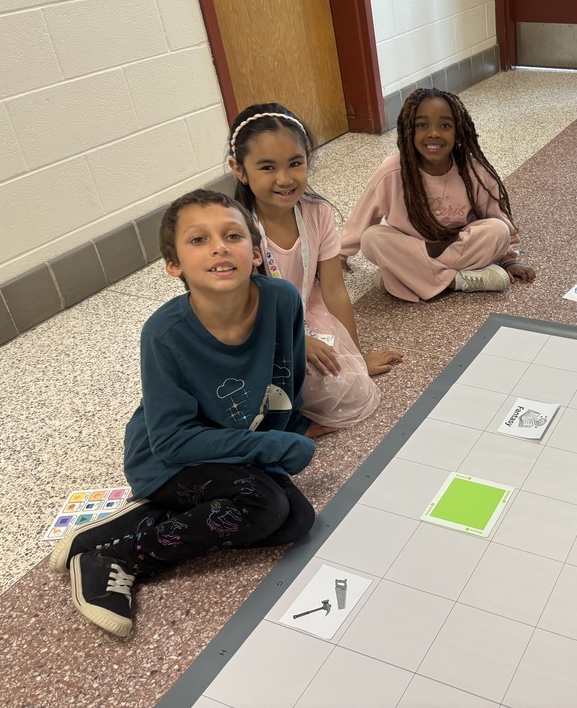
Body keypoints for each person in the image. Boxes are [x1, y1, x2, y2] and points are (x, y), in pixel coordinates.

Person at [50, 190, 318, 638]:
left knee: (296, 520)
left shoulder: (282, 300)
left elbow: (284, 381)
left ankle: (139, 520)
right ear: (174, 265)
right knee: (264, 505)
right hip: (167, 458)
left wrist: (283, 439)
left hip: (232, 451)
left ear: (255, 253)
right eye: (199, 240)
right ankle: (116, 557)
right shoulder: (163, 333)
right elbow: (172, 440)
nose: (219, 246)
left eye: (232, 235)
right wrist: (271, 446)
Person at [228, 103, 402, 434]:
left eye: (295, 163)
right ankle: (290, 424)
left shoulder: (317, 212)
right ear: (239, 169)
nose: (284, 179)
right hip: (257, 328)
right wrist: (296, 343)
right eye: (267, 167)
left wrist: (357, 356)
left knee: (349, 385)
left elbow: (334, 291)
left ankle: (287, 416)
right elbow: (239, 313)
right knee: (250, 396)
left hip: (307, 314)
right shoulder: (236, 228)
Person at [338, 88, 536, 302]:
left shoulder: (475, 171)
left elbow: (497, 217)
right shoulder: (392, 171)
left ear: (458, 132)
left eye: (445, 126)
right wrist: (338, 255)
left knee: (498, 231)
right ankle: (456, 281)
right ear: (409, 132)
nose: (433, 133)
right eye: (422, 125)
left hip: (458, 248)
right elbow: (361, 220)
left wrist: (509, 260)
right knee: (372, 239)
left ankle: (405, 278)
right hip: (411, 248)